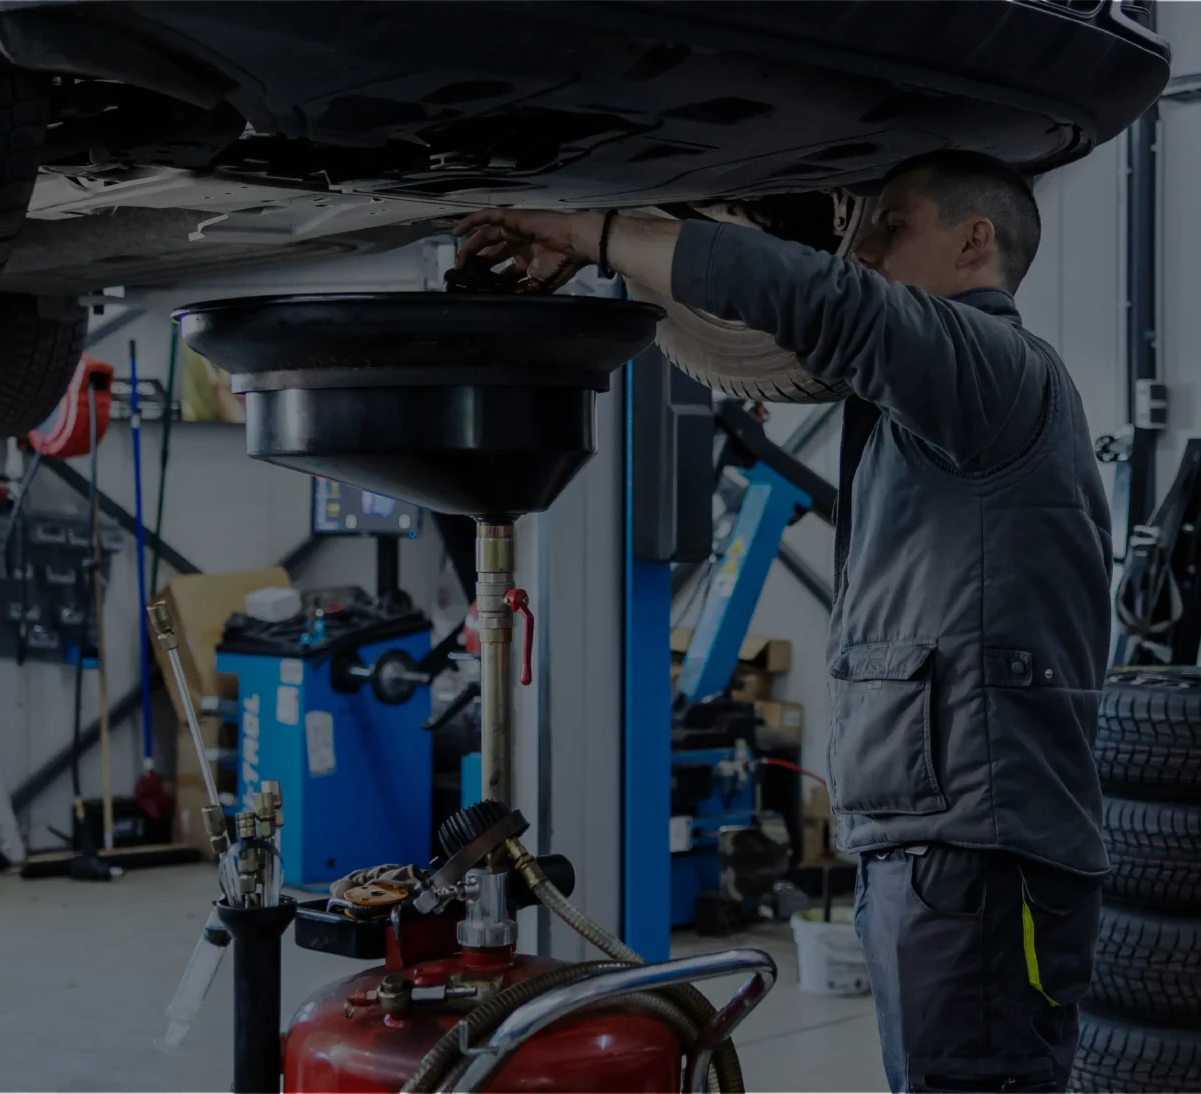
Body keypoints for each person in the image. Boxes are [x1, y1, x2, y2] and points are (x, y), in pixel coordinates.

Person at [458, 149, 1112, 1093]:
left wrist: (595, 231)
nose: (865, 250)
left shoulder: (998, 371)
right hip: (943, 848)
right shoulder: (926, 408)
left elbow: (828, 303)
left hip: (981, 853)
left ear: (976, 240)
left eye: (891, 227)